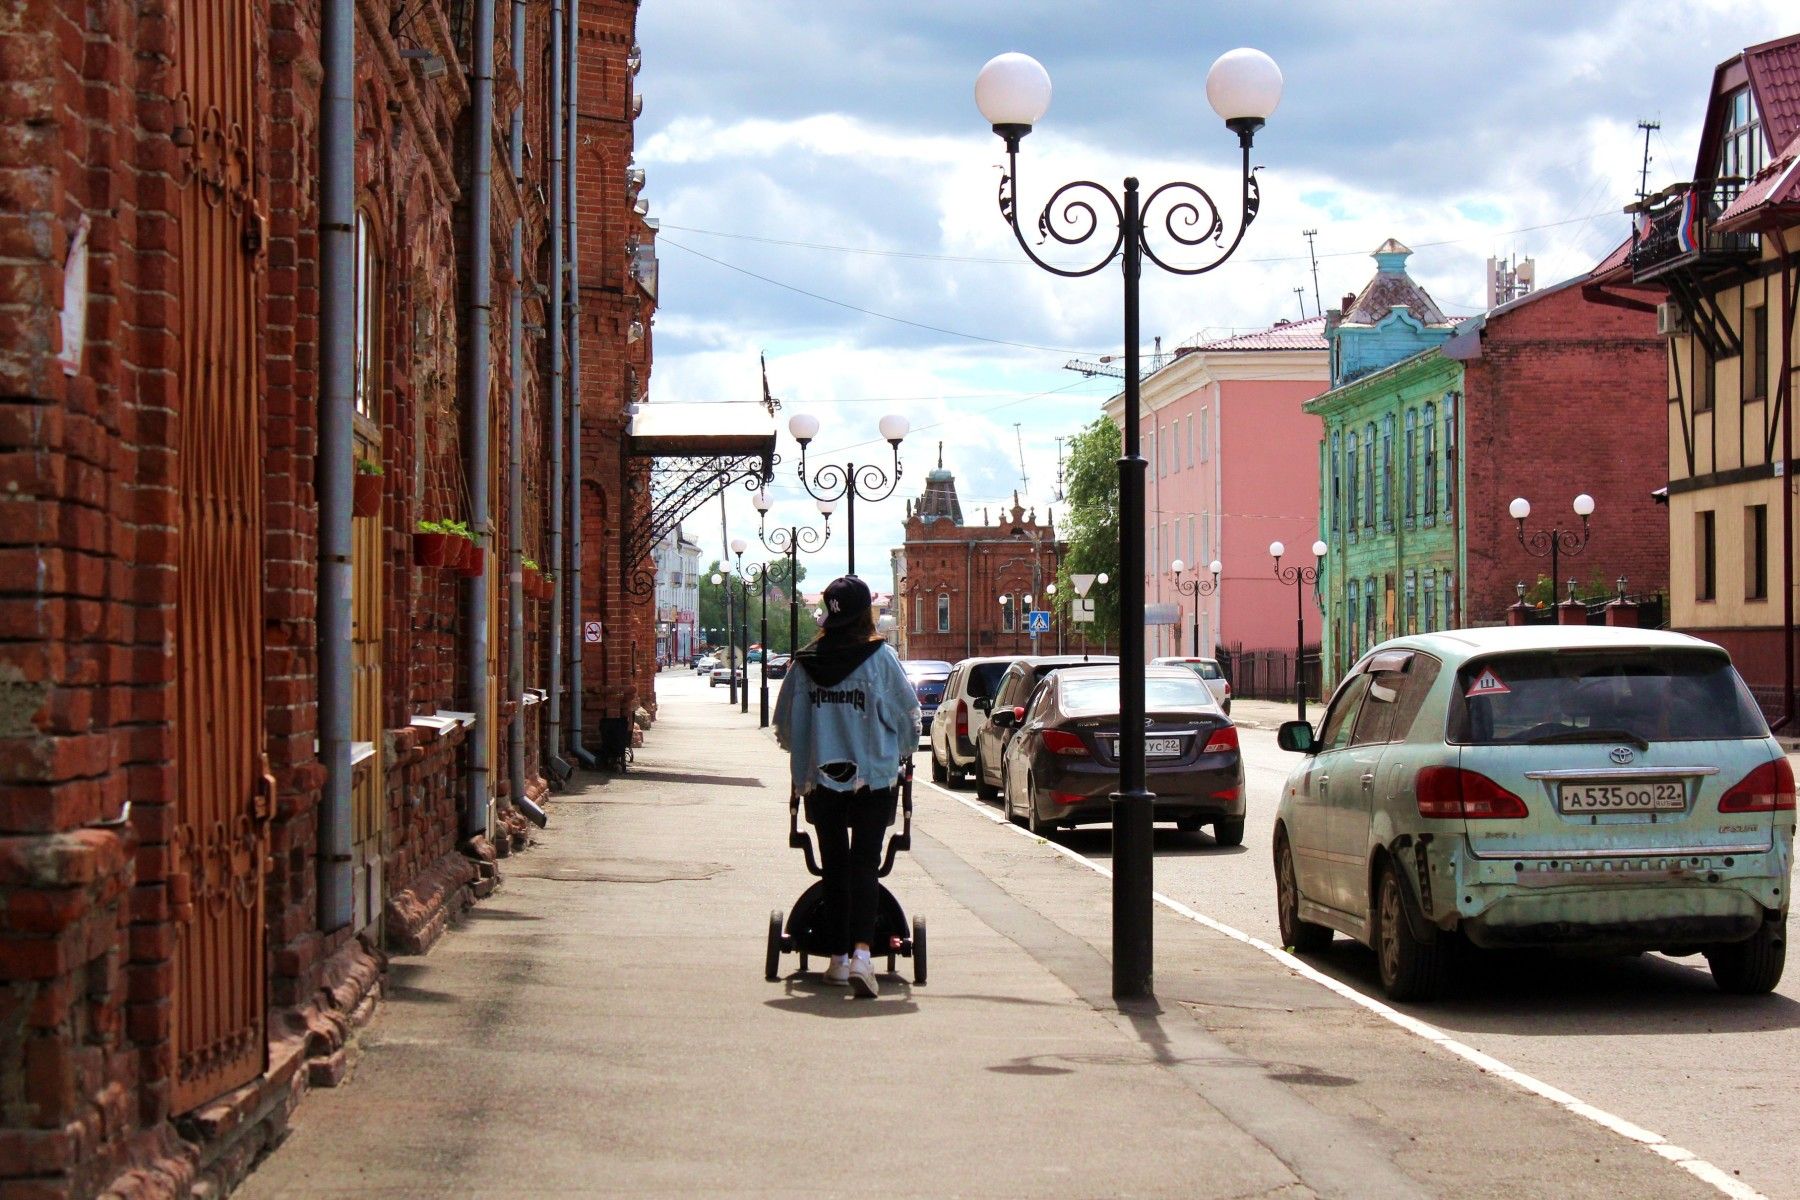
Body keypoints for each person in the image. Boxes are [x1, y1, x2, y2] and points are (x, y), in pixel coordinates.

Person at [772, 575, 920, 998]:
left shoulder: (805, 663)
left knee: (835, 864)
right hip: (871, 779)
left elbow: (784, 725)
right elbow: (907, 716)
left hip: (820, 780)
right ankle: (861, 956)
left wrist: (808, 755)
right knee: (865, 865)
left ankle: (836, 960)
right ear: (863, 613)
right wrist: (902, 753)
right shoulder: (880, 659)